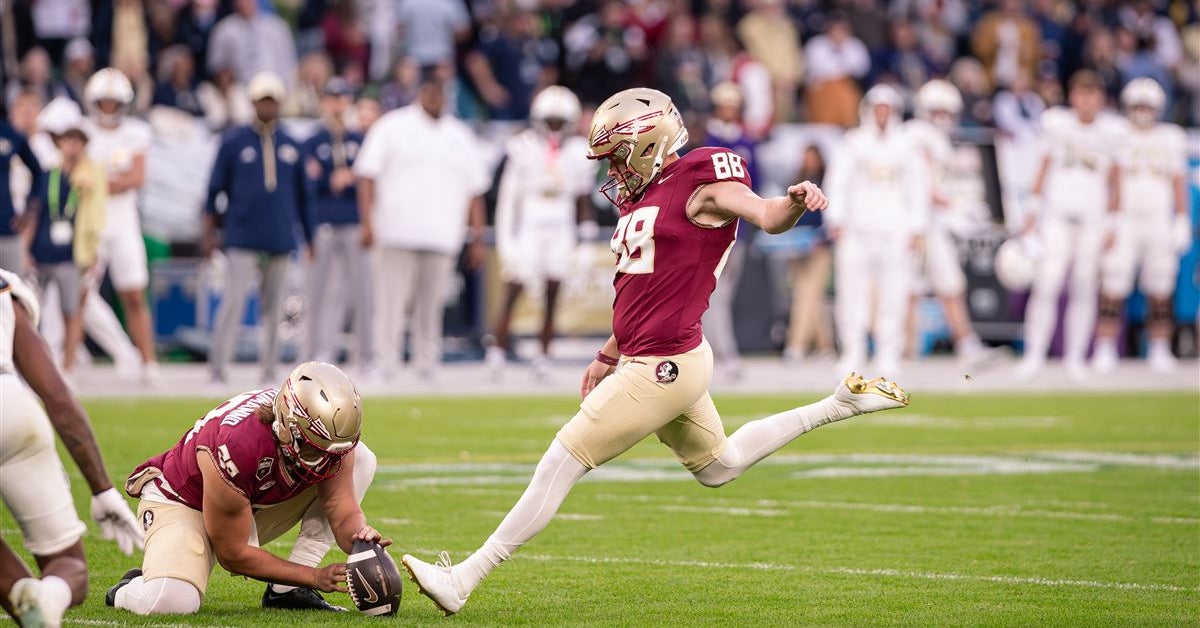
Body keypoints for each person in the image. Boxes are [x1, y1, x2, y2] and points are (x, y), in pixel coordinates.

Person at [401, 87, 909, 615]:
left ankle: (463, 577)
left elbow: (765, 212)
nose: (613, 170)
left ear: (648, 143)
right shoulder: (647, 195)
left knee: (562, 459)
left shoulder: (701, 176)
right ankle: (837, 405)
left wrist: (796, 202)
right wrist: (607, 353)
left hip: (663, 365)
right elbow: (641, 291)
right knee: (720, 466)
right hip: (666, 357)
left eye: (618, 155)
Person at [106, 361, 382, 614]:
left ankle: (287, 593)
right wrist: (314, 576)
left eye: (333, 452)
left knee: (362, 459)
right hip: (183, 502)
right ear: (286, 426)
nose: (324, 460)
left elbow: (340, 507)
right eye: (313, 450)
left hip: (251, 499)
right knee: (172, 601)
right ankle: (127, 589)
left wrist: (361, 541)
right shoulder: (237, 445)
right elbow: (233, 554)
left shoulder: (325, 437)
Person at [0, 268, 142, 627]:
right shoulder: (4, 285)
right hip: (12, 409)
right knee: (69, 570)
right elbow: (57, 397)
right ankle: (44, 597)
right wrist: (103, 489)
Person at [354, 67, 488, 380]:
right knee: (390, 303)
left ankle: (426, 364)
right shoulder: (392, 126)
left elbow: (475, 191)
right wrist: (367, 222)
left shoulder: (459, 134)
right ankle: (385, 363)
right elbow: (367, 175)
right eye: (430, 92)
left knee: (431, 308)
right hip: (395, 232)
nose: (436, 98)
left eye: (441, 93)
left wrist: (477, 237)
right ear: (420, 92)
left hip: (443, 235)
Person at [204, 72, 314, 385]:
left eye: (273, 100)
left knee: (275, 308)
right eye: (263, 99)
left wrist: (308, 236)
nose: (268, 105)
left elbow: (305, 196)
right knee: (233, 303)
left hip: (280, 237)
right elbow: (214, 191)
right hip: (242, 236)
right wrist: (210, 232)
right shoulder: (234, 142)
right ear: (253, 102)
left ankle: (268, 370)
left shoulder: (292, 143)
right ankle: (218, 366)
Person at [1018, 70, 1122, 381]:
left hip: (1092, 218)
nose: (1087, 101)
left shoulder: (1112, 131)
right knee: (1047, 282)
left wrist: (1113, 222)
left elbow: (1117, 180)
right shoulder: (1057, 123)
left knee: (1085, 285)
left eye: (1092, 94)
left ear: (1100, 98)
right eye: (1081, 94)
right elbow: (1043, 166)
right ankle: (1034, 354)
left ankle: (1075, 357)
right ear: (1072, 96)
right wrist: (1032, 213)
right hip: (1058, 217)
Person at [487, 86, 594, 380]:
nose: (555, 128)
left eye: (560, 122)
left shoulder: (578, 151)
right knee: (514, 286)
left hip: (561, 220)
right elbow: (509, 200)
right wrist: (507, 239)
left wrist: (585, 240)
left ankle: (544, 355)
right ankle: (497, 351)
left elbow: (583, 200)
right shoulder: (522, 146)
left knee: (553, 290)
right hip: (531, 220)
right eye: (551, 121)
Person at [825, 84, 930, 376]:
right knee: (851, 295)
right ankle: (852, 353)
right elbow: (838, 181)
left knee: (894, 296)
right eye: (878, 109)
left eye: (888, 109)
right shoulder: (854, 142)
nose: (882, 115)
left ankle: (888, 354)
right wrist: (836, 219)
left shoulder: (907, 146)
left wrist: (917, 226)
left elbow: (918, 188)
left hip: (895, 230)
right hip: (857, 230)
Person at [1095, 78, 1191, 373]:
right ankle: (1105, 347)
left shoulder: (1171, 137)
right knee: (1113, 283)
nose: (1142, 112)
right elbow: (1110, 179)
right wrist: (1109, 218)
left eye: (1147, 106)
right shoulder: (1117, 135)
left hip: (1158, 219)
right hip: (1125, 220)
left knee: (1160, 287)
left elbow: (1178, 179)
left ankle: (1159, 347)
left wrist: (1182, 218)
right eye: (1137, 106)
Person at [904, 79, 994, 365]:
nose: (942, 119)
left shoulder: (935, 139)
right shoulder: (917, 135)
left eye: (946, 113)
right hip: (913, 222)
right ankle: (905, 347)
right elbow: (923, 180)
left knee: (948, 282)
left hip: (930, 221)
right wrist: (954, 204)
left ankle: (964, 342)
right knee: (911, 287)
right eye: (936, 112)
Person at [81, 67, 159, 381]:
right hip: (93, 222)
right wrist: (111, 181)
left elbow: (136, 177)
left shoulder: (135, 132)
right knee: (81, 294)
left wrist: (99, 182)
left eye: (114, 102)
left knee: (134, 294)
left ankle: (147, 361)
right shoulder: (83, 130)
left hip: (124, 221)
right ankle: (81, 359)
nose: (109, 107)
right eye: (105, 101)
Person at [19, 98, 107, 373]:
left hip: (71, 254)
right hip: (44, 251)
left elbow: (95, 217)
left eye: (77, 141)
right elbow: (34, 213)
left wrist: (92, 251)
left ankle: (67, 368)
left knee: (72, 311)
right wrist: (25, 249)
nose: (72, 146)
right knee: (34, 311)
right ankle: (36, 364)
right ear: (60, 143)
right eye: (68, 140)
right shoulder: (47, 174)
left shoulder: (89, 178)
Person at [304, 78, 372, 366]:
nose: (337, 105)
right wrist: (327, 180)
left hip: (353, 220)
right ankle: (317, 351)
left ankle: (366, 352)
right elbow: (308, 180)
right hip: (324, 222)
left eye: (342, 99)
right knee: (319, 290)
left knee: (361, 290)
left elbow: (369, 180)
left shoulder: (359, 140)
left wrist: (350, 180)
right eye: (332, 99)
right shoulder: (313, 140)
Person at [700, 81, 760, 378]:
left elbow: (755, 187)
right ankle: (725, 355)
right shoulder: (704, 139)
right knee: (712, 296)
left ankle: (717, 353)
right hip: (709, 227)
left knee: (720, 297)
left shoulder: (746, 143)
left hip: (737, 227)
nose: (728, 111)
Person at [782, 144, 834, 361]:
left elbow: (830, 213)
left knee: (809, 294)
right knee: (808, 296)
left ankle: (796, 344)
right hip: (797, 244)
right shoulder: (795, 182)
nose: (809, 161)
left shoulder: (828, 181)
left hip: (820, 246)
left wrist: (824, 236)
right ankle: (826, 346)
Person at [206, 0, 298, 89]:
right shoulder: (223, 30)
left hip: (276, 90)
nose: (245, 3)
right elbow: (217, 67)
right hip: (241, 92)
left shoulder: (277, 26)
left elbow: (289, 63)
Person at [0, 116, 43, 272]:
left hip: (7, 229)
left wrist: (29, 211)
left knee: (14, 291)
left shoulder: (8, 132)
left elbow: (38, 173)